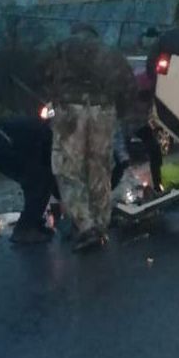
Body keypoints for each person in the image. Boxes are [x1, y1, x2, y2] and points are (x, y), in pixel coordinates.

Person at [39, 24, 138, 253]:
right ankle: (100, 223)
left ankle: (85, 226)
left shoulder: (62, 48)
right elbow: (128, 84)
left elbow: (41, 73)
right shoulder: (109, 52)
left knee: (69, 169)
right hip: (103, 110)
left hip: (69, 110)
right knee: (100, 167)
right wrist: (117, 112)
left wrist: (52, 100)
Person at [0, 115, 58, 245]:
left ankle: (32, 223)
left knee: (37, 180)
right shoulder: (47, 135)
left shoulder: (43, 129)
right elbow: (50, 170)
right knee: (37, 181)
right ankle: (25, 230)